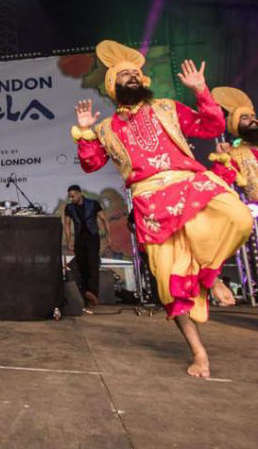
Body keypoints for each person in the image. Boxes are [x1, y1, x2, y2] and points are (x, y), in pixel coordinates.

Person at [72, 40, 253, 378]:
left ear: (144, 81)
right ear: (113, 86)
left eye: (135, 73)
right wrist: (84, 132)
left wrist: (201, 91)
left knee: (238, 217)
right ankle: (199, 354)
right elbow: (90, 164)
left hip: (188, 183)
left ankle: (209, 275)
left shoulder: (168, 107)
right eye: (123, 75)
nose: (131, 77)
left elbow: (211, 127)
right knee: (171, 286)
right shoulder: (107, 129)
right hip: (150, 203)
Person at [63, 184, 111, 311]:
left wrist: (108, 236)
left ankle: (93, 295)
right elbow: (67, 224)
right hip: (79, 239)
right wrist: (69, 241)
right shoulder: (69, 207)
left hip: (92, 238)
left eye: (73, 196)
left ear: (79, 193)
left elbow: (104, 219)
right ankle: (85, 296)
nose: (71, 198)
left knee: (93, 265)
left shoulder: (93, 204)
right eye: (70, 196)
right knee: (81, 266)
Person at [210, 87, 258, 202]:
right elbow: (221, 181)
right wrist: (221, 156)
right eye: (245, 118)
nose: (253, 120)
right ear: (236, 126)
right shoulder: (233, 154)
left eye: (253, 116)